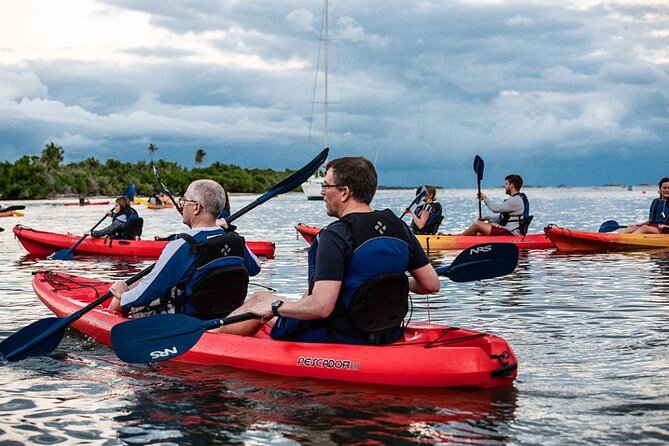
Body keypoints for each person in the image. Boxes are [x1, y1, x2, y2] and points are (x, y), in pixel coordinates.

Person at [214, 156, 440, 345]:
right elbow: (430, 284)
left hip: (336, 335)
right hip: (385, 332)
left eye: (326, 186)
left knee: (261, 299)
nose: (323, 192)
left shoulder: (334, 235)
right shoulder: (398, 226)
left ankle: (211, 342)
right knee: (265, 298)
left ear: (344, 192)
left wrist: (274, 307)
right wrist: (382, 284)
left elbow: (321, 308)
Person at [108, 179, 261, 316]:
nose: (181, 205)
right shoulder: (235, 240)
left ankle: (110, 321)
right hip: (219, 313)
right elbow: (255, 268)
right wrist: (227, 231)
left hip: (182, 320)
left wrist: (123, 295)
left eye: (184, 200)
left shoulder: (181, 245)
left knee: (126, 291)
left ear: (196, 207)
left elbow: (149, 291)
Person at [461, 174, 529, 236]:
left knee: (477, 225)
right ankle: (467, 238)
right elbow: (504, 217)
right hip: (508, 231)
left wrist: (484, 198)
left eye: (506, 184)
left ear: (511, 186)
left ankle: (459, 239)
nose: (505, 186)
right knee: (484, 227)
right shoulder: (517, 199)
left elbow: (495, 209)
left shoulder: (516, 200)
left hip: (510, 234)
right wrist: (487, 218)